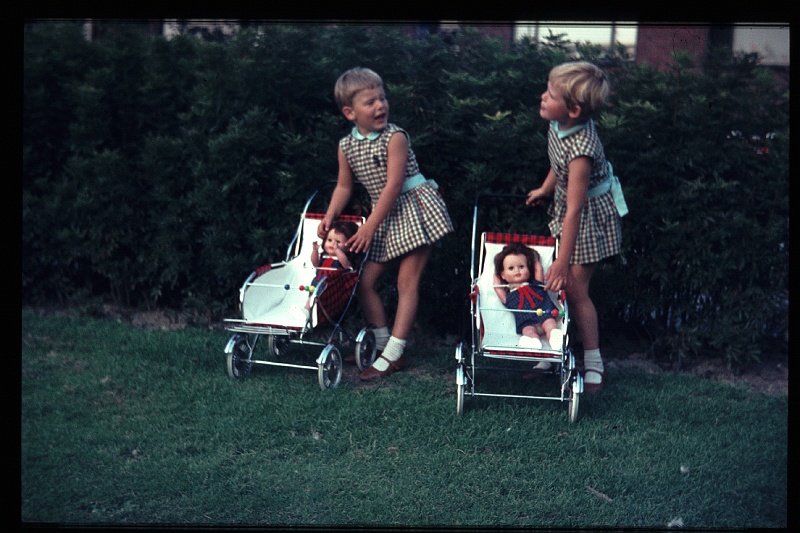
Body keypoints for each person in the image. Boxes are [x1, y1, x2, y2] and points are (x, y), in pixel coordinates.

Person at [318, 67, 454, 380]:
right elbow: (344, 186)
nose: (381, 106)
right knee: (364, 282)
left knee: (406, 283)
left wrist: (367, 228)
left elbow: (394, 186)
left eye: (382, 98)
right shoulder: (347, 146)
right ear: (350, 112)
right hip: (385, 217)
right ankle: (380, 343)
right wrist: (330, 215)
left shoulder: (396, 137)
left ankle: (394, 354)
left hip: (415, 211)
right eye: (370, 102)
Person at [525, 61, 626, 393]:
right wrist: (545, 187)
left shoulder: (582, 148)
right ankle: (554, 351)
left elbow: (575, 209)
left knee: (575, 291)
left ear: (574, 109)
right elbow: (559, 166)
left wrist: (562, 260)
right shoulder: (559, 125)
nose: (543, 96)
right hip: (573, 216)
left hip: (587, 221)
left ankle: (594, 361)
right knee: (559, 289)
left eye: (551, 94)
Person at [493, 242, 563, 358]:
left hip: (544, 314)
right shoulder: (509, 295)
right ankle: (532, 341)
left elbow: (538, 270)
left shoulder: (535, 284)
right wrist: (496, 276)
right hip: (526, 321)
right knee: (528, 331)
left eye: (522, 267)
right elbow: (498, 289)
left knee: (550, 324)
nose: (517, 271)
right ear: (503, 275)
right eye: (511, 268)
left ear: (529, 269)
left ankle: (555, 338)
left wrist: (534, 259)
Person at [305, 221, 359, 314]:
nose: (333, 244)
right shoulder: (324, 257)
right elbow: (315, 263)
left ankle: (308, 310)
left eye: (338, 242)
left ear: (348, 247)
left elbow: (347, 266)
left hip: (331, 284)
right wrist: (315, 251)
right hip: (318, 281)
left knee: (316, 297)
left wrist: (338, 251)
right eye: (329, 240)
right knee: (312, 296)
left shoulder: (341, 259)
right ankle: (307, 309)